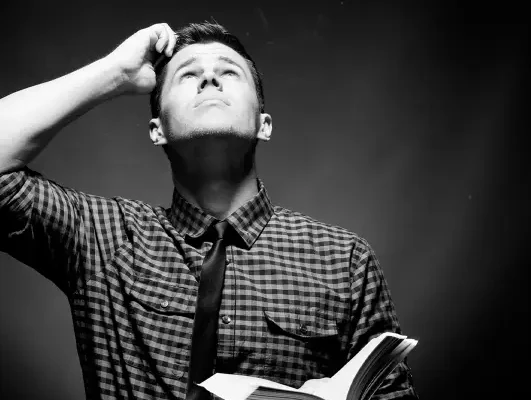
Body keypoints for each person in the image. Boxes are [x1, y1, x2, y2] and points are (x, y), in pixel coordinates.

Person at [0, 21, 418, 399]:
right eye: (187, 74)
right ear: (157, 130)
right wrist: (115, 73)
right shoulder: (101, 238)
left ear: (264, 124)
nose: (209, 77)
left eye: (229, 72)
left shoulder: (345, 260)